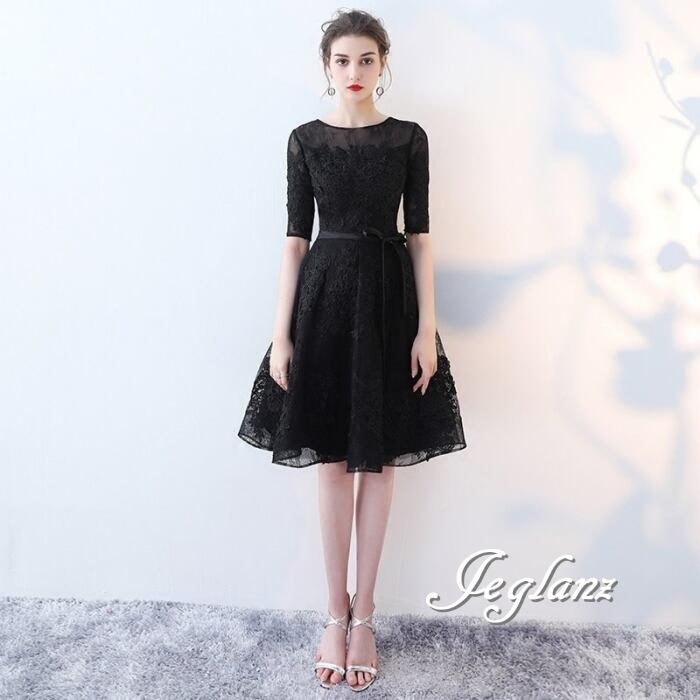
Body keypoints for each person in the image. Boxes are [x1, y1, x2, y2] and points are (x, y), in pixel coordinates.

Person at [237, 9, 467, 691]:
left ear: (383, 63)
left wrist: (427, 330)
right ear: (326, 67)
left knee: (380, 457)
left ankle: (364, 616)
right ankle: (333, 614)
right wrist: (281, 334)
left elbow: (421, 238)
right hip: (325, 304)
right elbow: (294, 242)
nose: (354, 72)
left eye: (366, 59)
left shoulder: (408, 138)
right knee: (333, 462)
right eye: (342, 61)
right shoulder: (305, 140)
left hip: (391, 304)